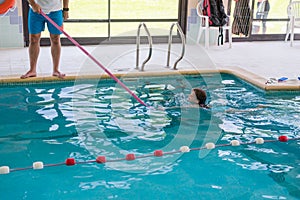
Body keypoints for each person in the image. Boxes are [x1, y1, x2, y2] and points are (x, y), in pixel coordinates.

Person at [21, 0, 69, 79]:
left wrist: (66, 9)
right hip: (35, 10)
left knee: (56, 39)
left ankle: (56, 70)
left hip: (55, 10)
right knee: (33, 39)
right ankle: (32, 70)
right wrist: (33, 4)